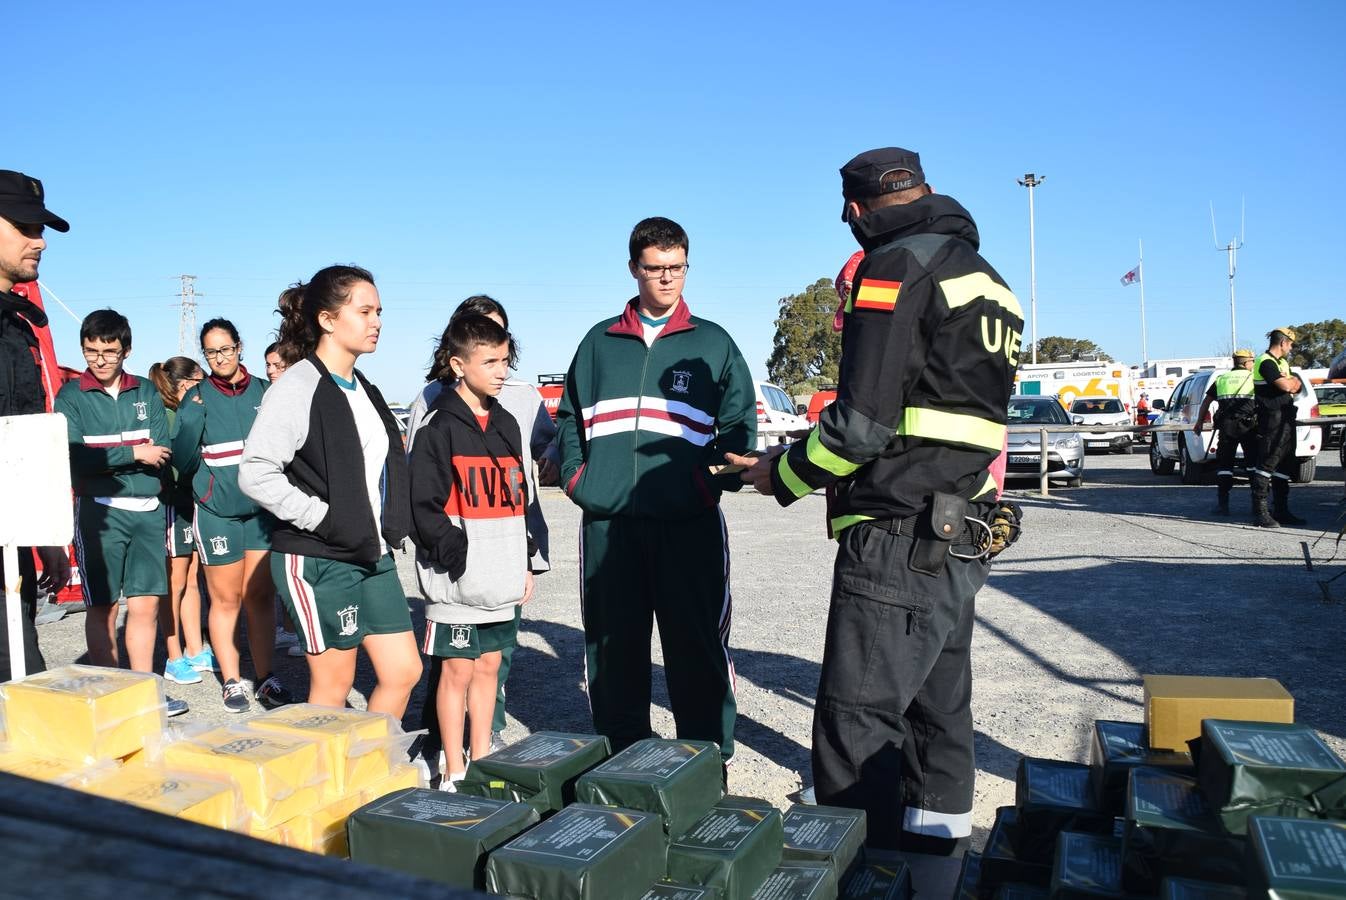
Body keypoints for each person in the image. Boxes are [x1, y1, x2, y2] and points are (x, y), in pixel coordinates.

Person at [730, 148, 1023, 853]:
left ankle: (869, 877)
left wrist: (784, 473)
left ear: (856, 211)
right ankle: (936, 873)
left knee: (856, 723)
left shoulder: (895, 266)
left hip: (898, 531)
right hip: (960, 525)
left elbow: (862, 424)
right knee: (939, 720)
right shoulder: (990, 280)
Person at [555, 217, 756, 767]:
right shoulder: (599, 342)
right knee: (613, 648)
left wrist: (703, 482)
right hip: (609, 526)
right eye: (655, 269)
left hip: (687, 523)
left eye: (677, 268)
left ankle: (707, 762)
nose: (667, 279)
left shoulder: (713, 344)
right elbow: (568, 418)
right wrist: (578, 479)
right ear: (633, 269)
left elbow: (739, 431)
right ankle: (623, 766)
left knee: (696, 647)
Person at [239, 266, 421, 717]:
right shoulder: (297, 386)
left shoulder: (365, 388)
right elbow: (256, 472)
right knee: (334, 685)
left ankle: (372, 767)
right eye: (364, 311)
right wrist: (325, 518)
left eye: (378, 311)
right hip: (319, 556)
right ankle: (323, 784)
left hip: (371, 552)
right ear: (327, 319)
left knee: (403, 671)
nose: (376, 321)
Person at [408, 296, 557, 769]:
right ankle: (454, 770)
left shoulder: (510, 422)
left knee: (490, 668)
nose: (501, 371)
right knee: (456, 671)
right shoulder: (437, 427)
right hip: (456, 583)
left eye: (505, 360)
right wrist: (454, 554)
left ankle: (484, 758)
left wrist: (524, 559)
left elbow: (520, 499)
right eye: (489, 361)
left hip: (502, 579)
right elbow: (422, 506)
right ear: (458, 364)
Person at [54, 310, 188, 715]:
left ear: (126, 350)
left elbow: (162, 452)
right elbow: (74, 458)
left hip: (149, 511)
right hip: (99, 513)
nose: (100, 359)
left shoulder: (146, 391)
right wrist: (134, 454)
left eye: (109, 351)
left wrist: (113, 458)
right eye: (91, 351)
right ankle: (109, 696)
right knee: (103, 607)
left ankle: (145, 694)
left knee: (144, 607)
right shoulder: (71, 396)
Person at [173, 319, 292, 712]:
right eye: (211, 352)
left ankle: (265, 678)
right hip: (217, 514)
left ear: (239, 347)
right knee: (225, 601)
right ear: (204, 355)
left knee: (260, 597)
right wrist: (208, 486)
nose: (220, 358)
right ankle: (231, 680)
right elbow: (185, 460)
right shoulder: (197, 399)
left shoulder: (265, 390)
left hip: (261, 514)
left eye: (226, 349)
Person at [0, 169, 71, 681]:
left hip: (12, 547)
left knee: (24, 683)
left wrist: (42, 537)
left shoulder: (15, 323)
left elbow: (20, 437)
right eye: (24, 226)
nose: (39, 240)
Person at [147, 356, 215, 684]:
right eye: (201, 379)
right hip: (173, 504)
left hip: (189, 504)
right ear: (186, 383)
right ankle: (173, 657)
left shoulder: (184, 411)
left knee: (190, 579)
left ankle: (194, 649)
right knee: (173, 584)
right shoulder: (170, 415)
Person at [262, 339, 305, 659]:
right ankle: (290, 629)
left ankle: (298, 631)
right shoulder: (268, 396)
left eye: (279, 365)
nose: (272, 371)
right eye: (269, 365)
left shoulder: (300, 395)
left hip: (299, 496)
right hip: (274, 498)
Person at [1251, 327, 1305, 528]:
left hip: (1286, 419)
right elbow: (1288, 386)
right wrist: (1293, 382)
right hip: (1271, 420)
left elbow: (1295, 387)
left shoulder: (1282, 363)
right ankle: (1261, 512)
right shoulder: (1265, 362)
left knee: (1285, 466)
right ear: (1283, 342)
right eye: (1290, 344)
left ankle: (1281, 510)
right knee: (1267, 464)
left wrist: (1293, 382)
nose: (1291, 348)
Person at [1195, 349, 1258, 516]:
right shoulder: (1253, 378)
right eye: (1252, 361)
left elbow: (1206, 402)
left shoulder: (1222, 379)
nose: (1253, 364)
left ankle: (1223, 505)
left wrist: (1199, 422)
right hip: (1248, 426)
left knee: (1225, 465)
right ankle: (1257, 505)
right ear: (1246, 363)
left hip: (1226, 426)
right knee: (1253, 464)